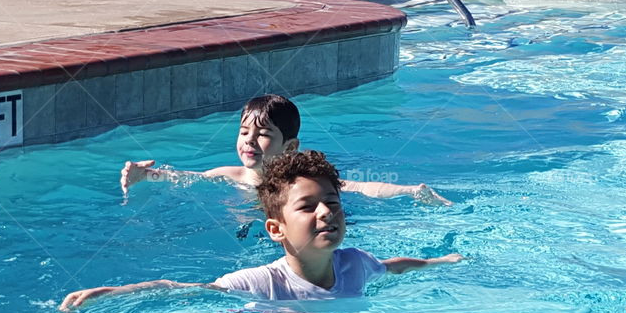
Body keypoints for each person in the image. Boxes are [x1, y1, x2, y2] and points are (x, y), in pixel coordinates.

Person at [62, 150, 462, 311]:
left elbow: (393, 267)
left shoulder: (355, 263)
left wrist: (440, 261)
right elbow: (187, 289)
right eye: (307, 206)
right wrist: (112, 293)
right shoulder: (263, 282)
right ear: (275, 229)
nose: (327, 212)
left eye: (333, 203)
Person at [120, 94, 450, 204]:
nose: (249, 140)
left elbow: (357, 187)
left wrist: (409, 191)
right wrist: (146, 176)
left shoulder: (300, 181)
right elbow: (186, 178)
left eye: (262, 134)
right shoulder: (228, 175)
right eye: (244, 131)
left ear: (290, 147)